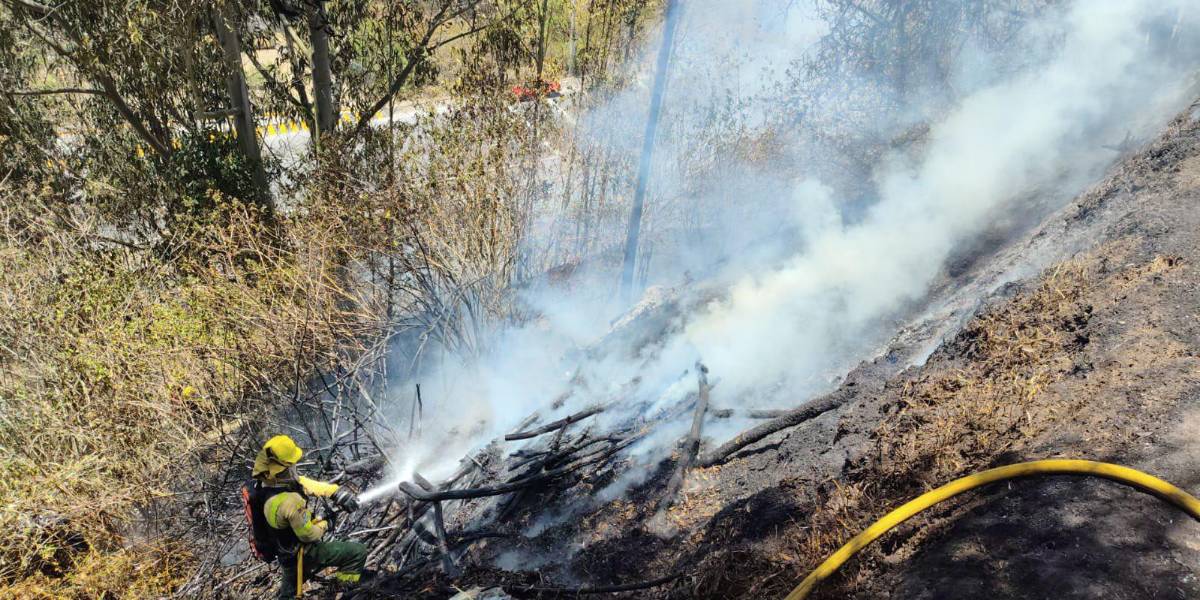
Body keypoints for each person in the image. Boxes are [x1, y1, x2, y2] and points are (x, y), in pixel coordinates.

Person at [245, 435, 367, 598]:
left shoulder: (263, 484)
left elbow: (302, 482)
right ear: (285, 467)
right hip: (304, 554)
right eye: (293, 462)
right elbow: (309, 535)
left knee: (288, 594)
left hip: (285, 553)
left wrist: (334, 492)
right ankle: (340, 591)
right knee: (357, 552)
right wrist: (325, 524)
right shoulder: (289, 502)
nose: (296, 465)